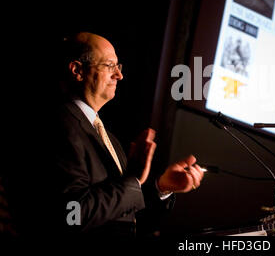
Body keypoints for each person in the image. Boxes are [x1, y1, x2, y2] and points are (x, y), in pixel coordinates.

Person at [10, 32, 204, 239]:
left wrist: (161, 187)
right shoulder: (55, 125)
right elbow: (70, 216)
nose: (119, 75)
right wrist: (133, 180)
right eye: (109, 65)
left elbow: (127, 215)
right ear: (77, 70)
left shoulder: (109, 139)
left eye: (118, 67)